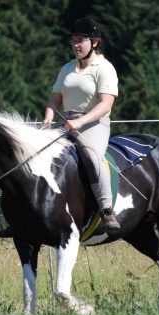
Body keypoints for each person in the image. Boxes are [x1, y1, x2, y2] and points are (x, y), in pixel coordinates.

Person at [44, 17, 120, 230]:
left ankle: (106, 210)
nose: (75, 45)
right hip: (65, 121)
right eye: (73, 41)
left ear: (94, 42)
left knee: (92, 158)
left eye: (80, 41)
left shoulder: (104, 68)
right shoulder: (67, 68)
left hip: (94, 122)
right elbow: (55, 98)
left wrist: (81, 121)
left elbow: (105, 105)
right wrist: (49, 116)